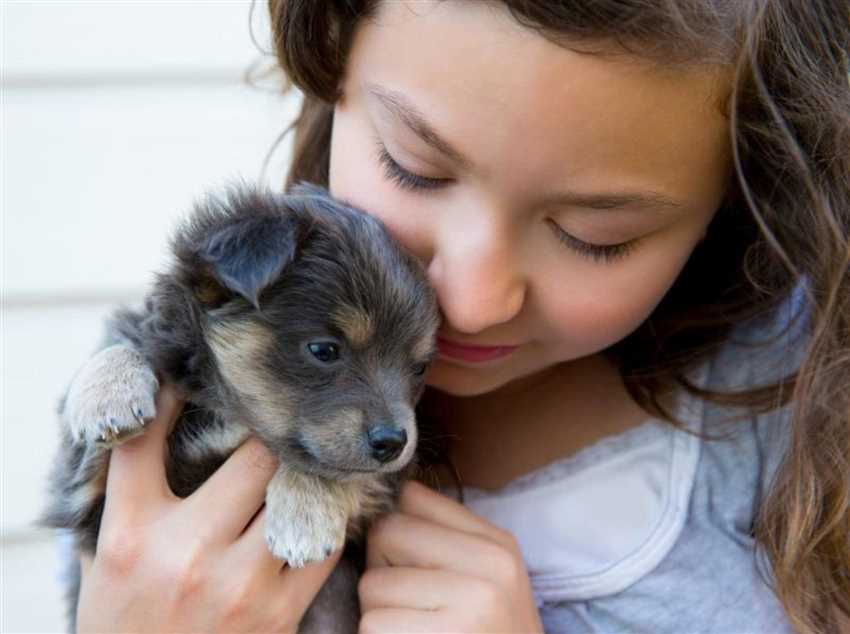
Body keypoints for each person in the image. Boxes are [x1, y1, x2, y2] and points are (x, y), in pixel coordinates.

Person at [73, 1, 850, 633]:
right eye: (416, 167)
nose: (471, 303)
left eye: (595, 236)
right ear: (331, 51)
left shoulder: (800, 406)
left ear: (740, 199)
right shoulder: (187, 381)